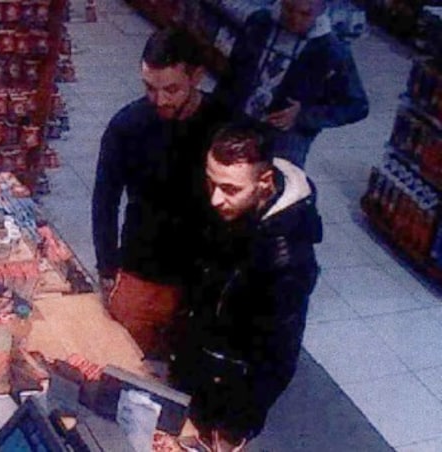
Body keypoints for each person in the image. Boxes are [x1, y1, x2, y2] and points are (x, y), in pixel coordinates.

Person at [169, 125, 323, 451]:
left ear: (264, 183)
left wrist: (235, 427)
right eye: (211, 182)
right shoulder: (233, 205)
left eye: (228, 189)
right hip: (198, 370)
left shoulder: (288, 261)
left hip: (228, 401)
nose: (215, 199)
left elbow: (279, 358)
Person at [91, 27, 227, 357]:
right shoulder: (128, 125)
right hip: (141, 272)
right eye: (150, 88)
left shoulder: (225, 126)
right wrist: (107, 268)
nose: (160, 100)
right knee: (125, 361)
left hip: (203, 278)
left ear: (197, 76)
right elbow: (105, 200)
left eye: (171, 89)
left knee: (185, 371)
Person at [216, 0, 368, 167]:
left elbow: (357, 106)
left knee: (278, 183)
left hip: (284, 139)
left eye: (305, 14)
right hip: (238, 120)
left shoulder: (332, 50)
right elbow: (232, 71)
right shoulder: (258, 23)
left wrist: (303, 115)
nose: (294, 19)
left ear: (321, 10)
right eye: (288, 10)